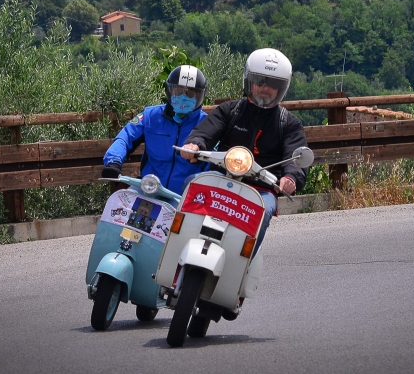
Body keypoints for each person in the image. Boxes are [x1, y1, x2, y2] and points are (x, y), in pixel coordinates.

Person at [180, 48, 307, 254]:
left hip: (261, 189)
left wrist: (291, 177)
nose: (265, 87)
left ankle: (242, 262)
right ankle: (180, 246)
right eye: (260, 80)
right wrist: (194, 144)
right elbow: (205, 132)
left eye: (273, 83)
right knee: (191, 183)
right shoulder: (229, 110)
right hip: (221, 177)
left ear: (282, 87)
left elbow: (295, 157)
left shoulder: (289, 123)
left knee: (264, 210)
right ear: (249, 81)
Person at [102, 65, 209, 195]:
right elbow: (125, 137)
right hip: (148, 190)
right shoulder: (150, 116)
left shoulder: (207, 124)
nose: (183, 97)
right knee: (118, 203)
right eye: (178, 91)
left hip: (185, 198)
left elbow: (214, 163)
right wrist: (113, 161)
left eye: (190, 93)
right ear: (169, 90)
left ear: (200, 96)